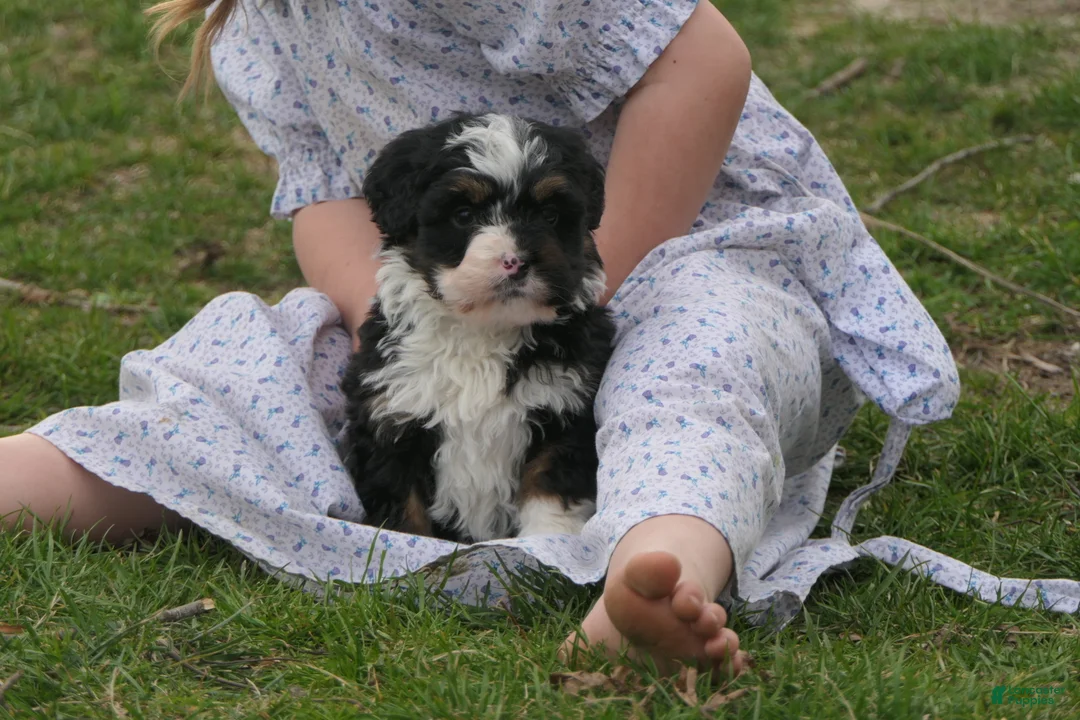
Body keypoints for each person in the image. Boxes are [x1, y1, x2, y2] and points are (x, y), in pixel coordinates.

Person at [0, 0, 970, 675]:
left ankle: (654, 578)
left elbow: (702, 60)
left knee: (691, 359)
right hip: (450, 304)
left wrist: (587, 289)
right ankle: (44, 473)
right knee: (258, 355)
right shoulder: (262, 21)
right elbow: (325, 198)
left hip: (699, 247)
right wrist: (395, 325)